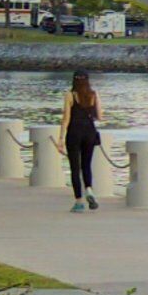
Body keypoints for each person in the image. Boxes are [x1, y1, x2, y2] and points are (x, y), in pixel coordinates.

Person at [61, 72, 105, 210]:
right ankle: (89, 189)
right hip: (89, 132)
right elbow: (100, 116)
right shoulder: (93, 94)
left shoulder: (70, 95)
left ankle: (79, 201)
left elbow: (66, 118)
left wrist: (61, 138)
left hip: (74, 132)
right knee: (87, 165)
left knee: (75, 168)